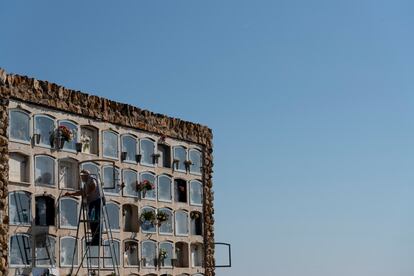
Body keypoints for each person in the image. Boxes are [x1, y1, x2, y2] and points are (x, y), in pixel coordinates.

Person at [64, 170, 102, 246]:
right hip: (92, 202)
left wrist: (87, 194)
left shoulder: (91, 179)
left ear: (86, 175)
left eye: (82, 176)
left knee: (95, 220)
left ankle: (97, 240)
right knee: (92, 220)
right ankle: (94, 239)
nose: (81, 178)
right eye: (81, 176)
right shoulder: (86, 183)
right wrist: (71, 194)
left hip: (96, 201)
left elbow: (93, 186)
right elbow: (81, 192)